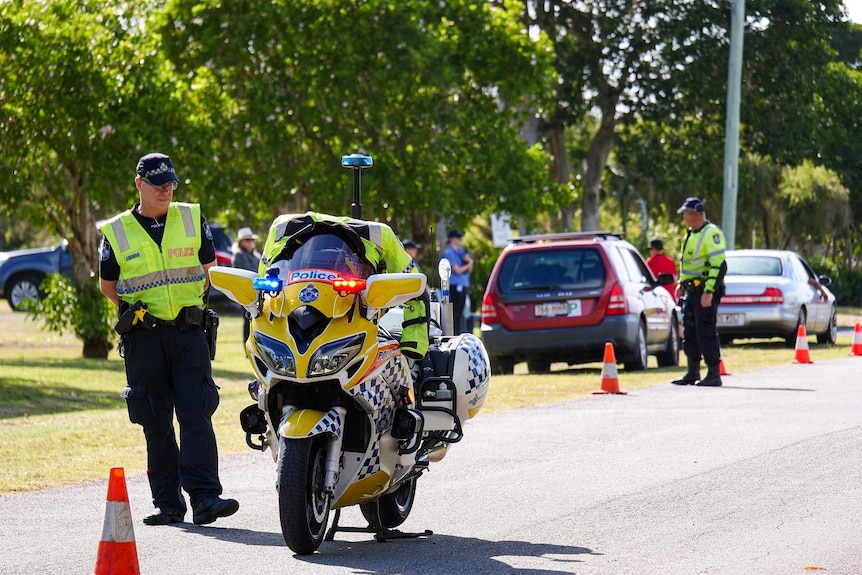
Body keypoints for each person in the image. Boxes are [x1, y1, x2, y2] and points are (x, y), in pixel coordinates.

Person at [98, 153, 238, 526]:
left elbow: (210, 271)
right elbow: (107, 285)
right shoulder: (118, 230)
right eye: (159, 184)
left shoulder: (191, 217)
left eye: (171, 184)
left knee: (196, 413)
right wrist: (142, 311)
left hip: (188, 332)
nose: (166, 190)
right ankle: (168, 505)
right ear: (138, 184)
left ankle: (206, 498)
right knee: (155, 420)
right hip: (144, 337)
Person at [259, 212, 429, 362]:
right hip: (294, 319)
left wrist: (413, 343)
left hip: (355, 322)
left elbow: (415, 287)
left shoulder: (381, 235)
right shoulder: (282, 227)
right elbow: (262, 282)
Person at [671, 197, 727, 387]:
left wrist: (709, 291)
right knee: (690, 333)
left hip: (705, 292)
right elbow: (689, 265)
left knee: (706, 332)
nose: (684, 217)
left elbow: (719, 266)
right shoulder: (691, 234)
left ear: (694, 214)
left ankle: (713, 373)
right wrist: (681, 284)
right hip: (691, 291)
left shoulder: (711, 234)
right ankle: (692, 371)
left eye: (685, 213)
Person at [231, 226, 261, 346]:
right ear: (241, 242)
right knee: (247, 319)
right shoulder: (239, 256)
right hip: (245, 292)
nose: (251, 242)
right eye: (247, 240)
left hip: (258, 292)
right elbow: (250, 272)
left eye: (252, 240)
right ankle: (247, 346)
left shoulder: (256, 255)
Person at [440, 229, 472, 335]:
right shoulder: (449, 252)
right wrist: (468, 264)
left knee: (460, 314)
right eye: (458, 238)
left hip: (463, 285)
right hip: (454, 285)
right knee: (454, 313)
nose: (460, 240)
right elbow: (457, 270)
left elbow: (470, 269)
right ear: (452, 239)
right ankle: (453, 334)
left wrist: (469, 262)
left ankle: (457, 333)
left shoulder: (461, 252)